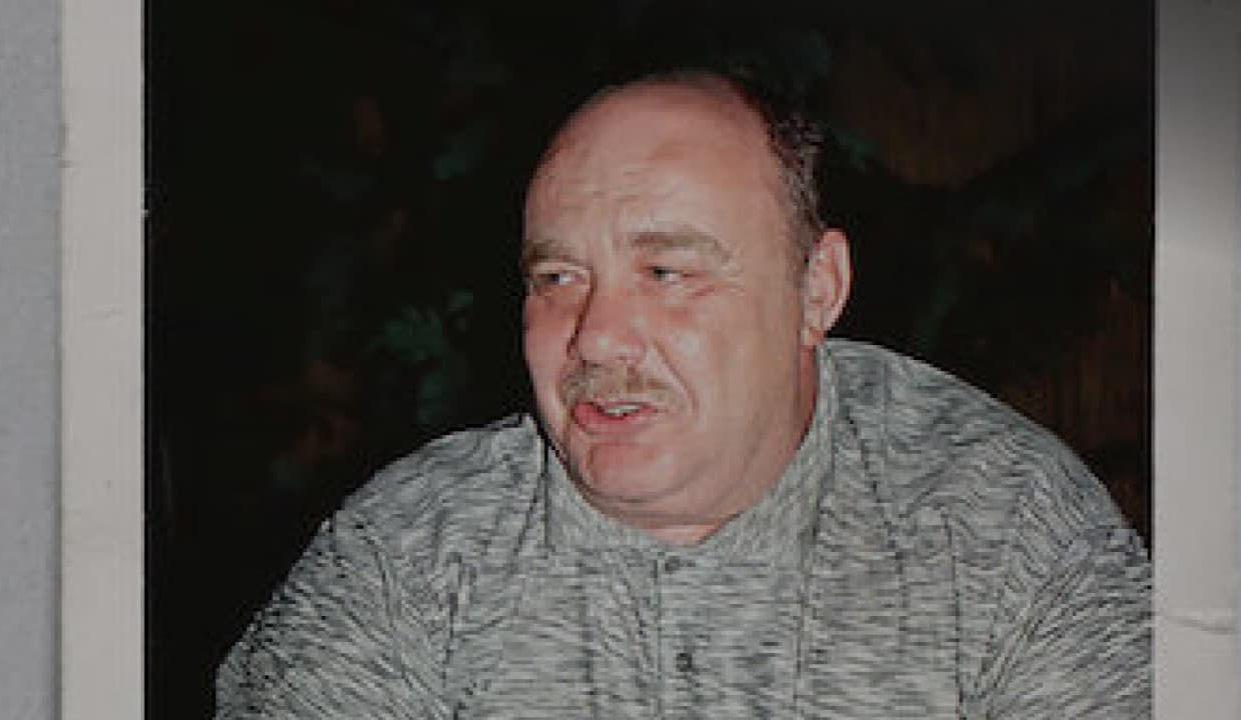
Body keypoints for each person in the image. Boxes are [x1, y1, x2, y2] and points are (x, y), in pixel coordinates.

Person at [216, 70, 1150, 718]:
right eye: (557, 278)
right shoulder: (408, 554)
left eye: (666, 271)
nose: (596, 336)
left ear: (816, 291)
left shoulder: (1003, 522)